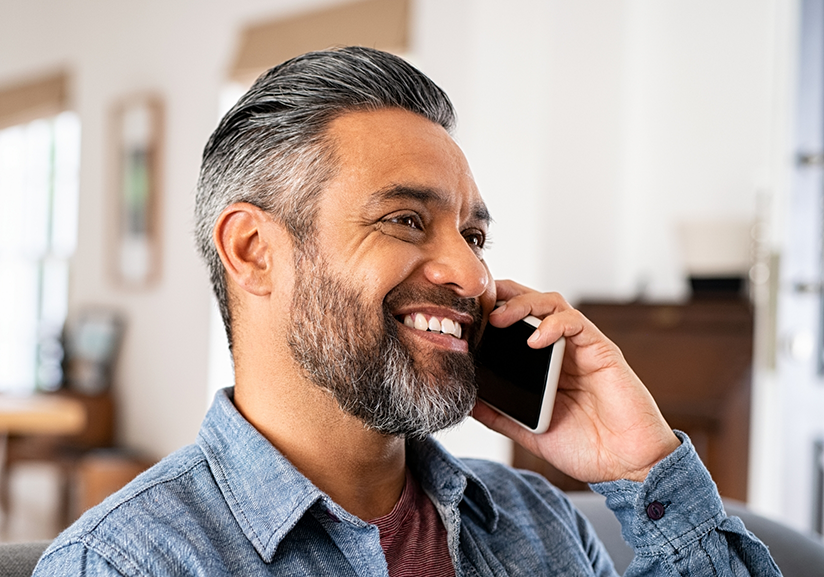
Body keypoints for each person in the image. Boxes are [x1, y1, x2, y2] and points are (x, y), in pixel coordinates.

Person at [34, 46, 780, 576]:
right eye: (405, 220)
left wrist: (643, 466)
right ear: (255, 250)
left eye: (474, 234)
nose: (470, 272)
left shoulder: (541, 526)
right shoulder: (127, 561)